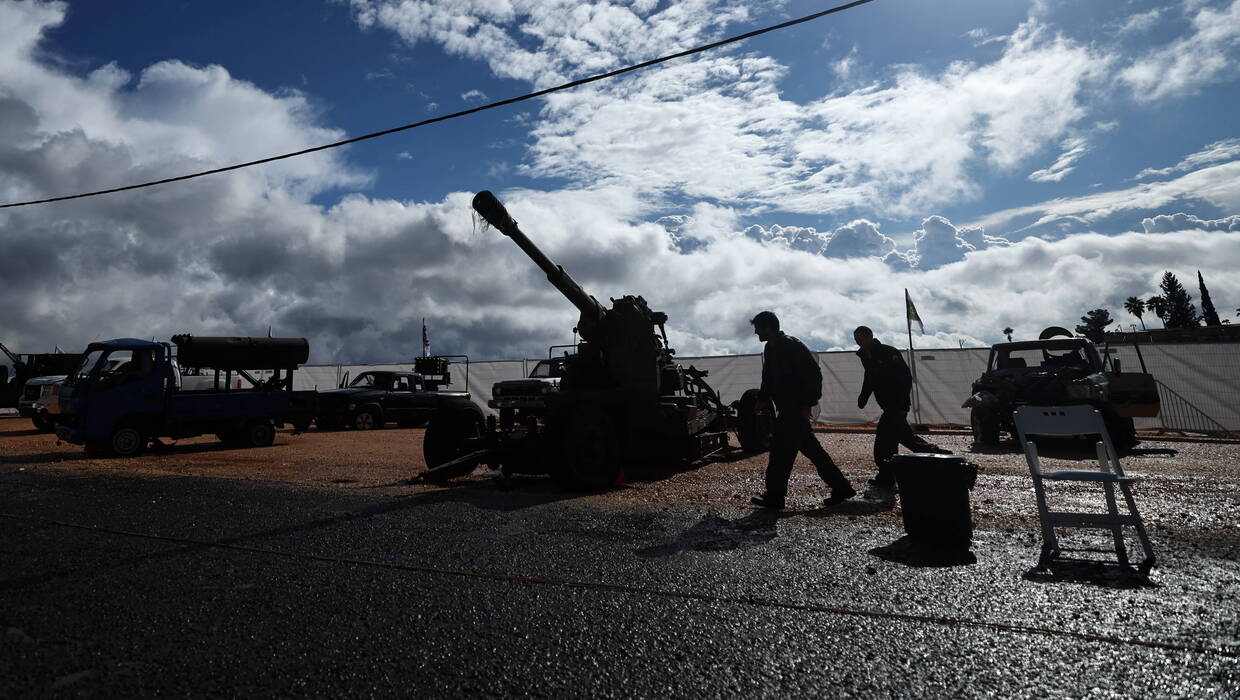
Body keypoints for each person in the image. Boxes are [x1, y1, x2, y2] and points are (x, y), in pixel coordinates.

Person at [749, 311, 855, 509]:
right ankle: (841, 488)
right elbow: (768, 377)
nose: (756, 332)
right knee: (813, 451)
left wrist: (808, 403)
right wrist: (762, 399)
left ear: (768, 327)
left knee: (780, 454)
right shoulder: (770, 348)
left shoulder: (792, 346)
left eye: (758, 328)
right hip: (788, 408)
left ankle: (775, 496)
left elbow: (814, 375)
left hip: (795, 408)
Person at [853, 325, 950, 492]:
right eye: (856, 339)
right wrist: (863, 397)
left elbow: (905, 378)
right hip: (888, 406)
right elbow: (869, 378)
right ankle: (943, 457)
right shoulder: (865, 356)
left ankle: (886, 477)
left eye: (861, 338)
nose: (858, 342)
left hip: (896, 406)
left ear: (870, 336)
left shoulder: (888, 352)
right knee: (906, 438)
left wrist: (903, 406)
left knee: (884, 443)